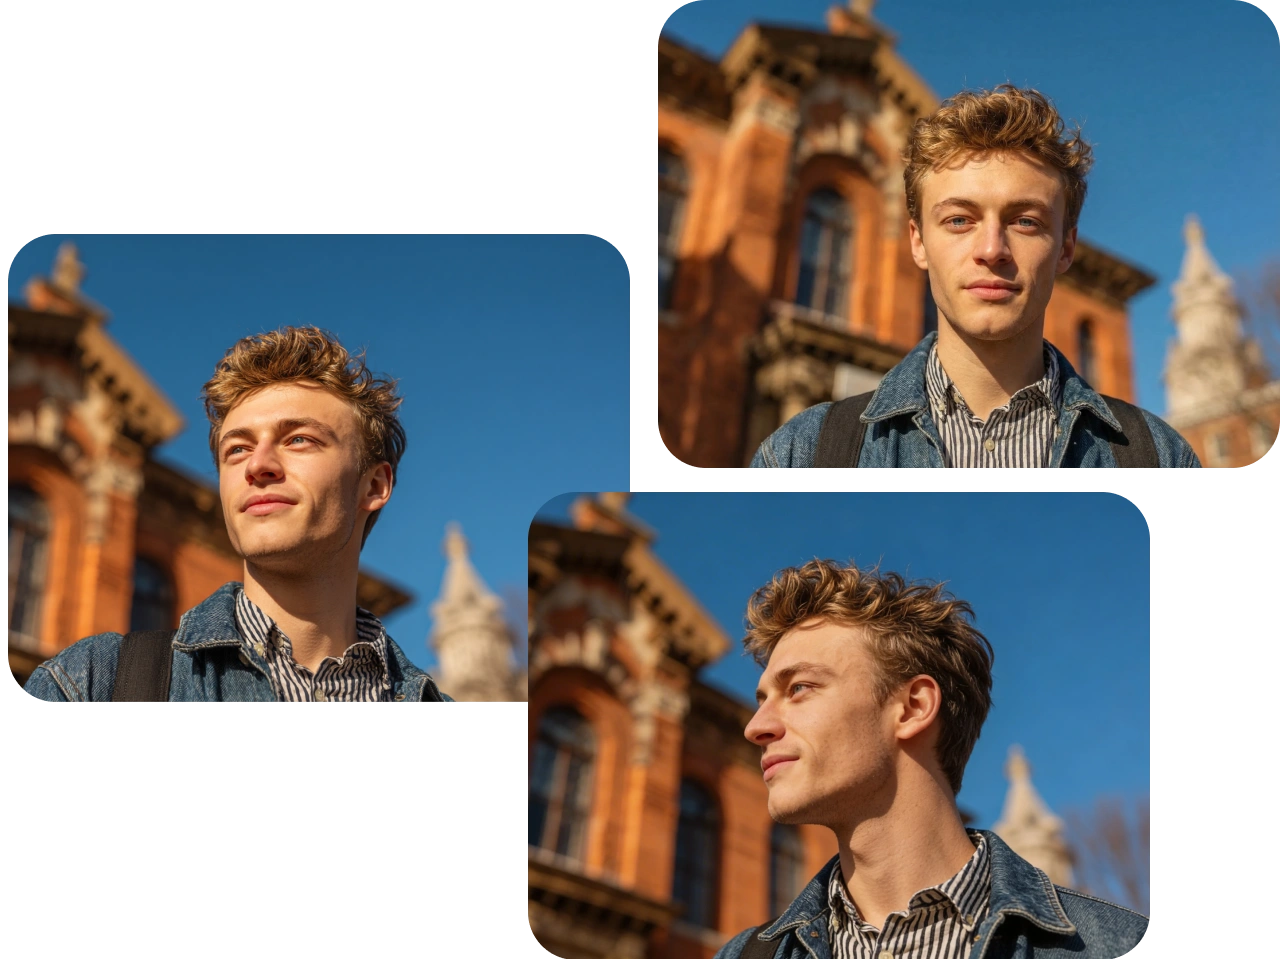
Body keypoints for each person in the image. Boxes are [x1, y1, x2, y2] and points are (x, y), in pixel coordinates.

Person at [714, 559, 1148, 959]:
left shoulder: (1117, 946)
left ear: (913, 707)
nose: (756, 726)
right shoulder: (744, 955)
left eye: (799, 688)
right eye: (762, 699)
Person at [750, 84, 1200, 469]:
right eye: (959, 220)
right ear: (918, 242)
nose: (991, 251)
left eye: (1025, 221)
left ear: (1065, 248)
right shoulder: (802, 453)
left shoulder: (1158, 457)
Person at [23, 325, 453, 703]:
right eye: (238, 449)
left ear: (374, 486)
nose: (256, 464)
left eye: (299, 439)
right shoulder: (89, 683)